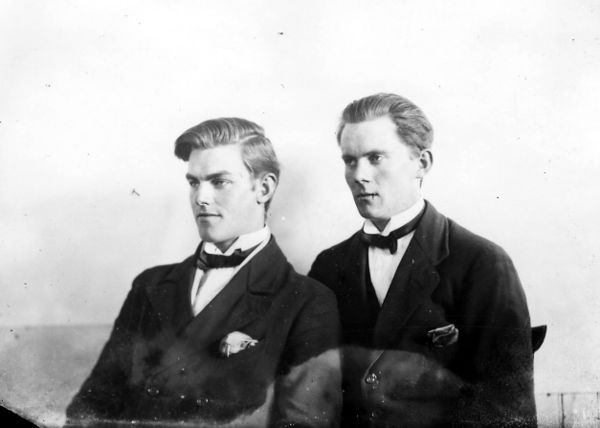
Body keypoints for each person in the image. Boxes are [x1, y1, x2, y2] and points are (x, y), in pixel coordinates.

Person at [66, 118, 341, 427]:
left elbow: (303, 423)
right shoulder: (150, 285)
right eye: (194, 183)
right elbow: (90, 407)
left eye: (219, 182)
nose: (200, 198)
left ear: (263, 188)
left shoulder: (307, 302)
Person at [308, 93, 537, 427]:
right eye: (350, 160)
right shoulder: (328, 267)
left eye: (375, 157)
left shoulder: (482, 263)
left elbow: (506, 411)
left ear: (422, 163)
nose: (359, 175)